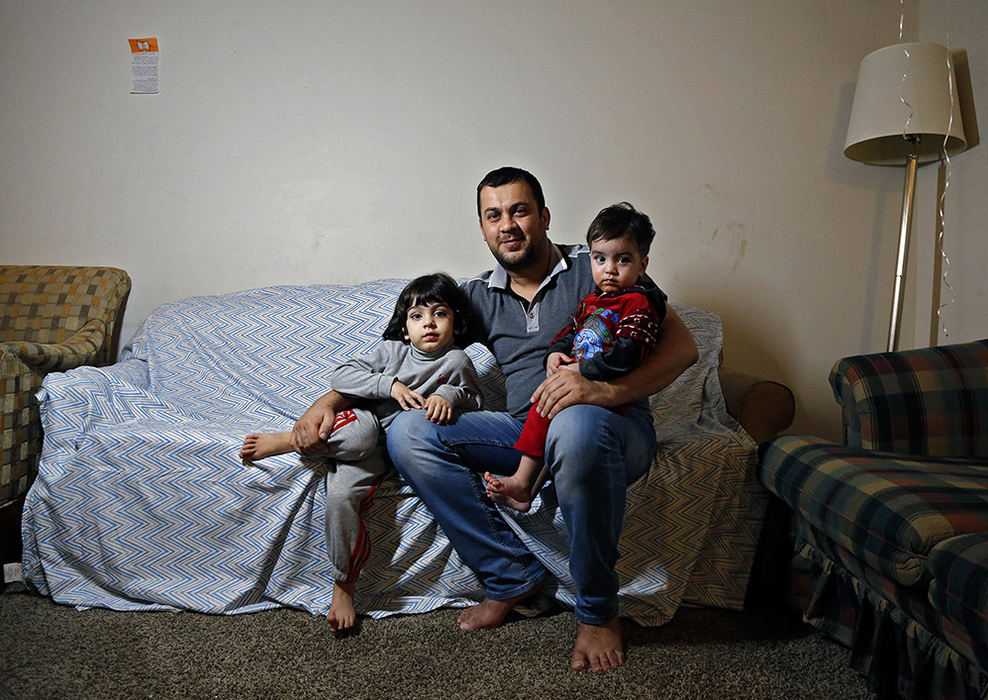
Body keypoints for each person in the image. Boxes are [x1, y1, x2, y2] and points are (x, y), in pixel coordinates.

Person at [290, 167, 697, 672]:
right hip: (525, 430)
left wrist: (602, 388)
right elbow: (406, 355)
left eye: (520, 210)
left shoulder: (597, 264)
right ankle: (509, 576)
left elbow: (683, 348)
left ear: (544, 217)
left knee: (575, 423)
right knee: (409, 429)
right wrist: (329, 399)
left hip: (610, 425)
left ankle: (597, 612)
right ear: (482, 229)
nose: (508, 225)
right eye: (493, 215)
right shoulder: (477, 296)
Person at [240, 272, 483, 631]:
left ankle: (343, 583)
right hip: (367, 427)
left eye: (439, 314)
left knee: (340, 493)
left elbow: (476, 401)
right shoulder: (391, 352)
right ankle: (292, 442)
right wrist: (390, 384)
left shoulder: (457, 362)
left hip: (399, 452)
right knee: (351, 457)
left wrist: (448, 395)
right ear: (404, 328)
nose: (428, 323)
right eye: (417, 316)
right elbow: (342, 377)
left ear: (456, 323)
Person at [483, 202, 665, 513]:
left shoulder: (639, 302)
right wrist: (555, 353)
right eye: (600, 259)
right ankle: (528, 486)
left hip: (609, 397)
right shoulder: (594, 300)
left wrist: (585, 369)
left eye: (622, 260)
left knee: (551, 406)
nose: (609, 269)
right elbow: (570, 331)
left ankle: (524, 481)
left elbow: (629, 353)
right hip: (579, 380)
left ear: (642, 264)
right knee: (550, 403)